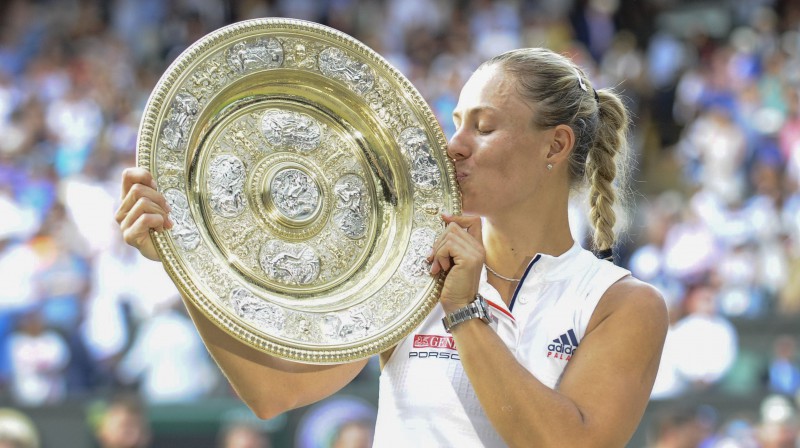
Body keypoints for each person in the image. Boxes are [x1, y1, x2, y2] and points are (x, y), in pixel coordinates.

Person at [116, 47, 668, 447]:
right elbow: (273, 394)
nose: (455, 146)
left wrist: (464, 313)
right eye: (456, 123)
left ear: (556, 144)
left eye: (484, 127)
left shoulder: (622, 303)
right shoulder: (409, 265)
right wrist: (181, 259)